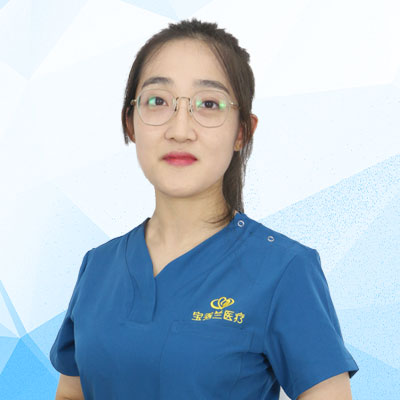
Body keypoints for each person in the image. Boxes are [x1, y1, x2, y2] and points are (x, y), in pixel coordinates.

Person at [50, 18, 359, 400]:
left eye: (209, 104)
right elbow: (71, 394)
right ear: (130, 123)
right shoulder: (97, 267)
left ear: (242, 132)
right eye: (158, 101)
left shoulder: (284, 270)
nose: (180, 129)